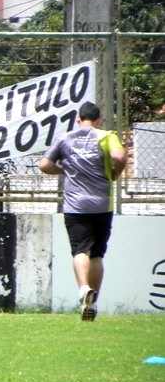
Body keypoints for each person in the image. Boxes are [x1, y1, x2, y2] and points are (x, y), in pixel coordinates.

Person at [39, 101, 127, 321]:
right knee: (97, 254)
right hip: (101, 205)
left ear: (78, 119)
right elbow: (119, 157)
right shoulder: (107, 136)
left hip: (75, 206)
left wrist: (64, 170)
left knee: (80, 250)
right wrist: (115, 173)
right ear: (99, 120)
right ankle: (93, 303)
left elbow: (44, 165)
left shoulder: (65, 138)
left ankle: (83, 290)